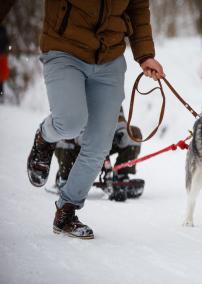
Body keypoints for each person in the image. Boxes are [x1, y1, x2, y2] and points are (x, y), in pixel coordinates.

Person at [27, 0, 164, 239]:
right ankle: (45, 138)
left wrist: (145, 55)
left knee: (100, 143)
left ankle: (67, 210)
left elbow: (138, 7)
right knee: (69, 123)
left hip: (110, 57)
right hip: (65, 48)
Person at [54, 108, 144, 201]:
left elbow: (119, 116)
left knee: (134, 133)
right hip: (81, 138)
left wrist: (122, 131)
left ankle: (122, 175)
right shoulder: (76, 96)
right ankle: (66, 177)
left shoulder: (110, 94)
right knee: (65, 137)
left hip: (107, 138)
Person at [0, 25, 10, 103]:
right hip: (2, 55)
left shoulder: (3, 29)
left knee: (1, 77)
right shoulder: (3, 29)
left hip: (2, 56)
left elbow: (7, 42)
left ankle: (1, 96)